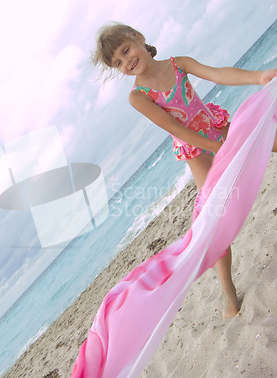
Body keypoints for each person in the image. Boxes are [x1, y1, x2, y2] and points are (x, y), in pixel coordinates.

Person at [92, 22, 277, 318]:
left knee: (269, 134)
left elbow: (218, 74)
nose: (125, 61)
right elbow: (174, 127)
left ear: (139, 38)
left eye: (126, 50)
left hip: (218, 129)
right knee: (216, 225)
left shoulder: (179, 64)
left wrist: (259, 77)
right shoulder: (139, 96)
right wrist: (216, 149)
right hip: (199, 152)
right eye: (118, 62)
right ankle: (229, 292)